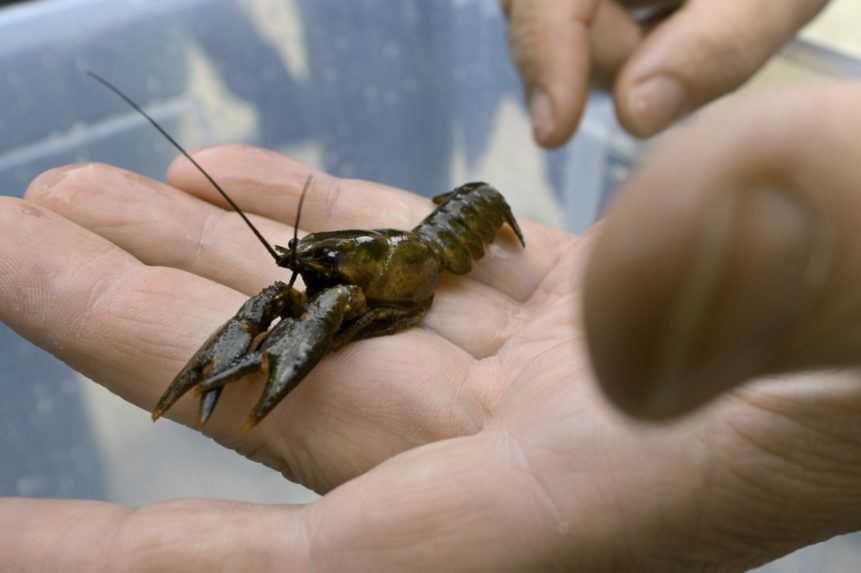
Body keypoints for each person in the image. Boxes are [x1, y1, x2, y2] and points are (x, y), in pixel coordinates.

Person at [2, 2, 854, 571]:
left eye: (319, 268)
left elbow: (338, 306)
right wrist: (290, 292)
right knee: (290, 296)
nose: (309, 280)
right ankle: (216, 378)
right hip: (415, 242)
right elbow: (306, 291)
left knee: (325, 303)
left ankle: (245, 384)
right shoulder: (329, 270)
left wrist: (330, 302)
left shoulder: (388, 274)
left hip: (459, 222)